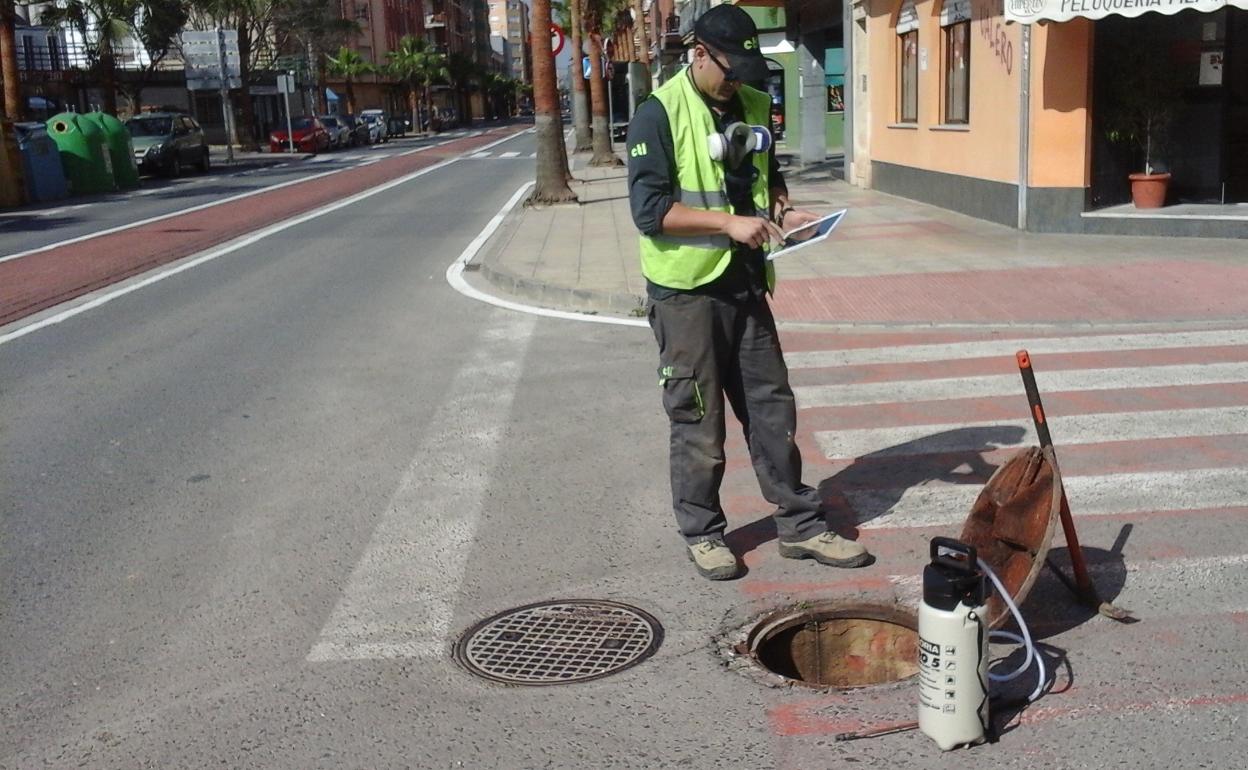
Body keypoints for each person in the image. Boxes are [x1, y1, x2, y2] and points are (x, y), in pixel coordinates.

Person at [625, 4, 872, 580]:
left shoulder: (755, 105)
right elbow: (651, 210)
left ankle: (801, 526)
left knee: (772, 412)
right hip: (686, 295)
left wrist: (787, 209)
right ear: (700, 54)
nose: (737, 81)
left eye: (744, 70)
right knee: (698, 422)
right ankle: (703, 532)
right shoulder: (658, 114)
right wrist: (729, 225)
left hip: (746, 285)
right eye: (728, 69)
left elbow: (766, 178)